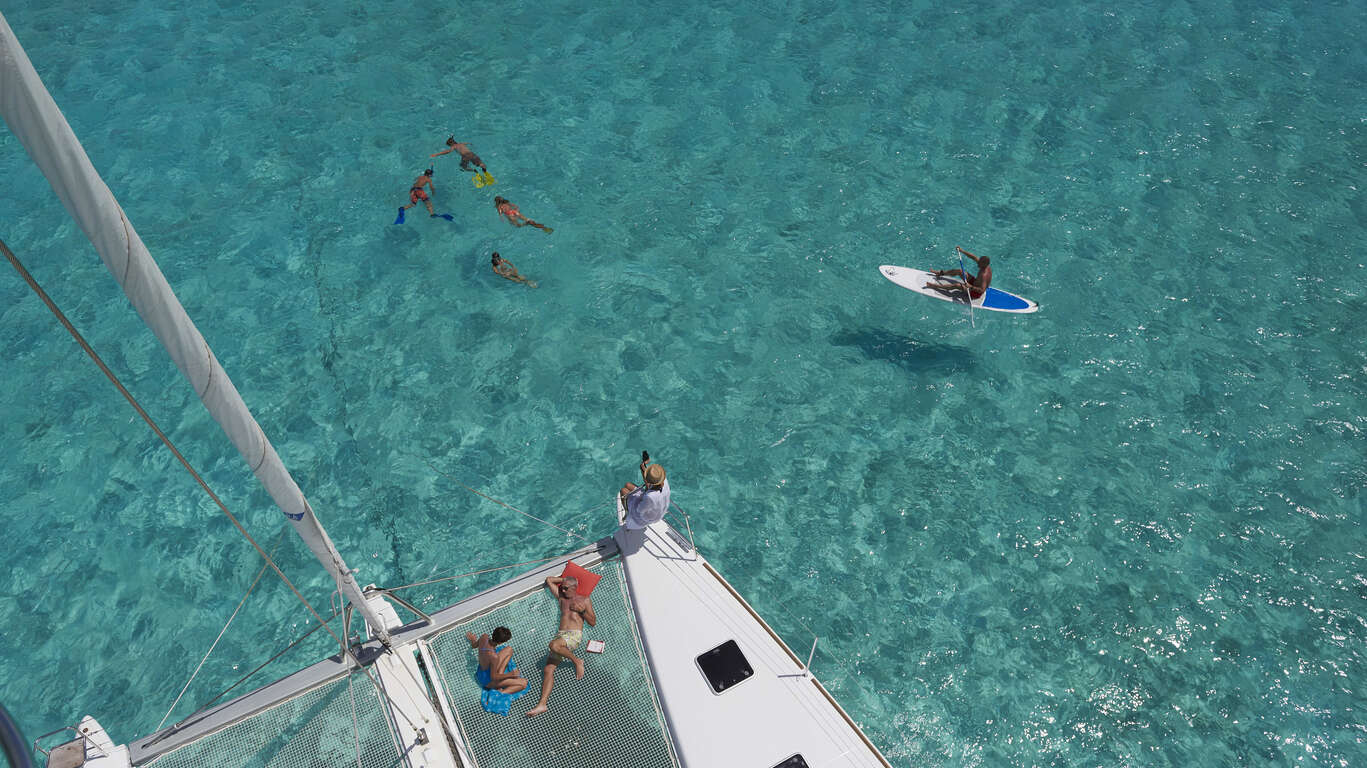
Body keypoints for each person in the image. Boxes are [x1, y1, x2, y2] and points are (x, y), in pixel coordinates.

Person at [525, 575, 596, 717]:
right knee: (548, 669)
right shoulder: (561, 598)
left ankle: (577, 661)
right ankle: (542, 704)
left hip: (573, 635)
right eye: (562, 587)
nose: (562, 589)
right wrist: (563, 580)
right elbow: (549, 580)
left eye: (566, 588)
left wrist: (582, 611)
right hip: (561, 636)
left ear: (574, 588)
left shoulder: (584, 600)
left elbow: (593, 622)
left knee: (553, 645)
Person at [466, 627, 527, 695]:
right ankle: (498, 694)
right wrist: (510, 674)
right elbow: (493, 677)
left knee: (509, 650)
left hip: (481, 671)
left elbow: (474, 645)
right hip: (486, 681)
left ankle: (500, 674)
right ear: (501, 642)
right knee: (523, 683)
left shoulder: (484, 637)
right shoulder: (494, 657)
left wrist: (473, 640)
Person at [924, 246, 992, 299]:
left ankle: (934, 286)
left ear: (984, 265)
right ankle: (941, 273)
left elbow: (982, 290)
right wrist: (962, 251)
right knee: (960, 271)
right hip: (974, 283)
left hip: (975, 292)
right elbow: (973, 257)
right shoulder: (984, 264)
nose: (977, 264)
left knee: (957, 285)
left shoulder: (984, 275)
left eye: (979, 264)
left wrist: (970, 287)